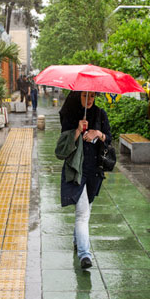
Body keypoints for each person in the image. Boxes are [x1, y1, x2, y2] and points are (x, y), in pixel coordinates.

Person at [56, 91, 112, 269]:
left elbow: (109, 139)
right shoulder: (71, 115)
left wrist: (98, 134)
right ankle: (84, 255)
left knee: (85, 211)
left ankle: (77, 240)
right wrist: (78, 131)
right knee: (82, 214)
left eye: (93, 96)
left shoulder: (100, 114)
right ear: (77, 97)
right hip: (76, 171)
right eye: (85, 96)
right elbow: (61, 149)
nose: (89, 100)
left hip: (94, 171)